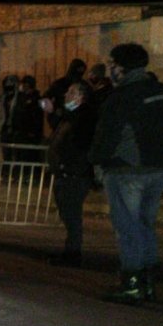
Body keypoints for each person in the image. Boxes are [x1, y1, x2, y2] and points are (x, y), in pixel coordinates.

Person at [88, 43, 163, 304]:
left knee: (128, 228)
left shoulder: (120, 97)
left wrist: (96, 163)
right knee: (146, 225)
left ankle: (132, 283)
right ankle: (148, 282)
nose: (110, 70)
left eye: (112, 65)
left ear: (121, 68)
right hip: (158, 169)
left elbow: (106, 137)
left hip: (126, 169)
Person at [45, 81, 98, 267]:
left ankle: (73, 252)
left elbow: (78, 146)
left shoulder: (83, 117)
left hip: (73, 174)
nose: (66, 95)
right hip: (65, 172)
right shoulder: (71, 116)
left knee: (72, 214)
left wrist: (69, 166)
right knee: (67, 213)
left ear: (81, 97)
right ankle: (71, 249)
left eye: (71, 92)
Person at [43, 59, 87, 130]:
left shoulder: (84, 85)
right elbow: (43, 99)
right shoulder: (59, 84)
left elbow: (83, 103)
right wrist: (53, 113)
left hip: (78, 125)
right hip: (60, 123)